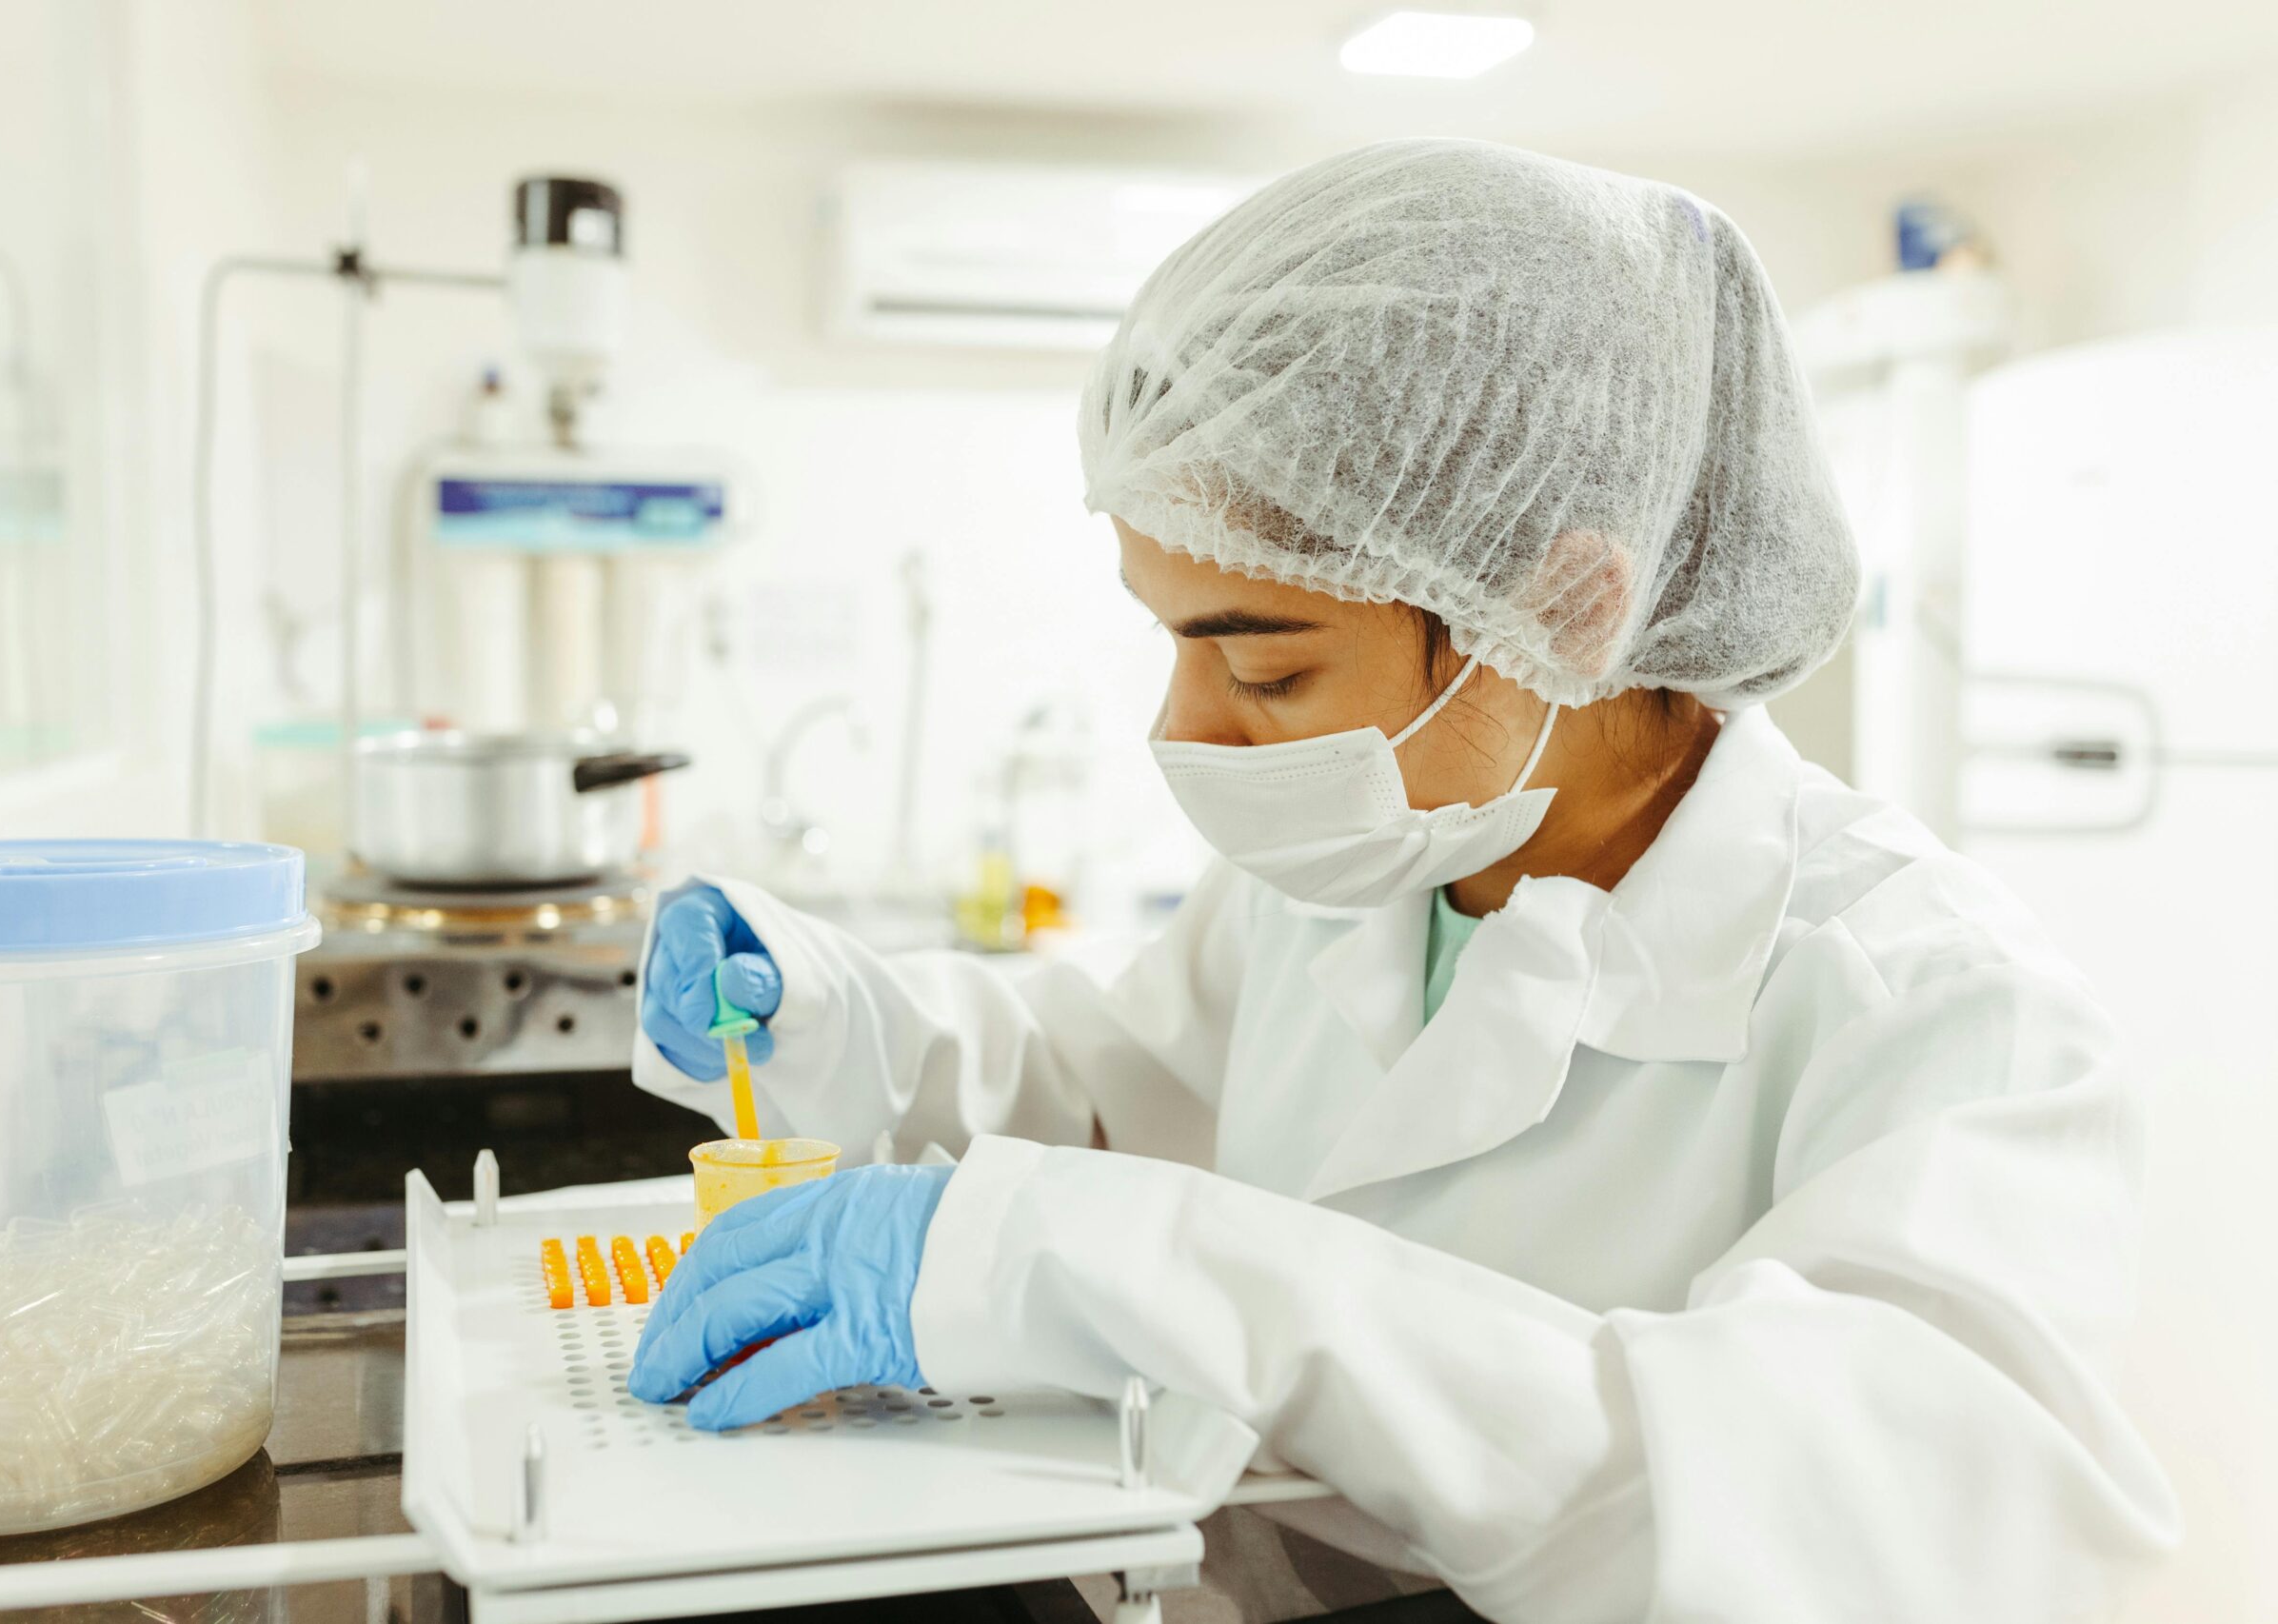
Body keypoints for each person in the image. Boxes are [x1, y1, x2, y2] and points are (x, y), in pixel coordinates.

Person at [626, 140, 2177, 1621]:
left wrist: (1157, 1269)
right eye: (1172, 642)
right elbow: (1112, 1097)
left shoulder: (1939, 1009)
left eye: (1270, 668)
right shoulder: (1365, 878)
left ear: (1565, 608)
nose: (1186, 729)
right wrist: (828, 1013)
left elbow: (1851, 1533)